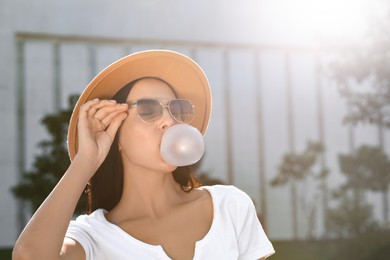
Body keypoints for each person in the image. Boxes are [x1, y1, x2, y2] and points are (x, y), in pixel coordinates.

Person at [13, 50, 275, 260]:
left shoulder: (230, 205)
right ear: (114, 134)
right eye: (148, 109)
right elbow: (29, 256)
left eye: (177, 109)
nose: (169, 121)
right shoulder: (93, 236)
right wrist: (86, 160)